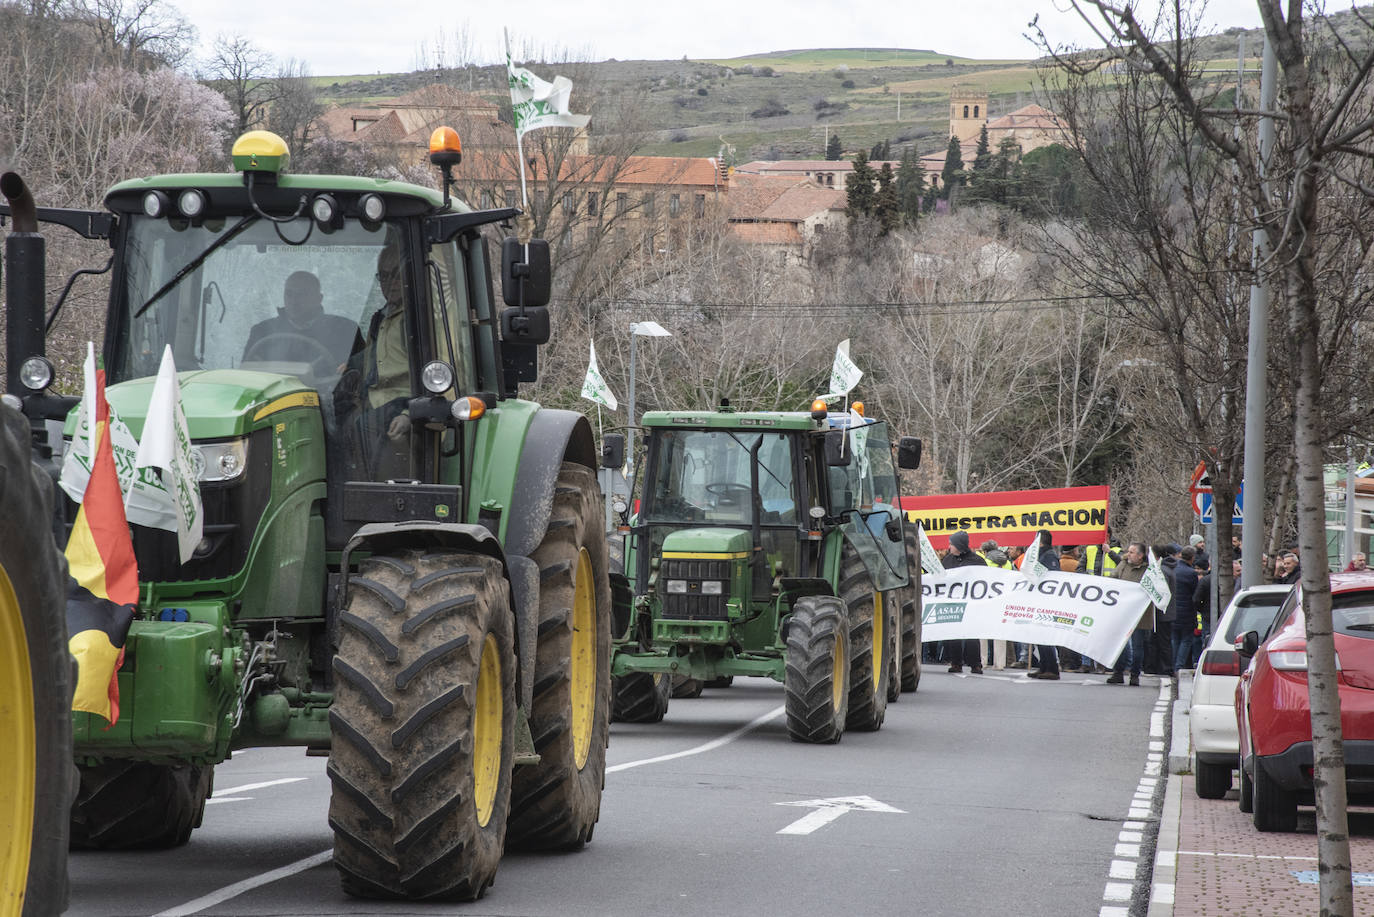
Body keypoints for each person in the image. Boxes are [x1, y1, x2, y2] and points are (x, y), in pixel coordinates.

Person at [243, 271, 364, 373]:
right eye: (289, 294)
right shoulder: (262, 331)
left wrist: (350, 368)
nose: (294, 301)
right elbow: (246, 375)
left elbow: (364, 372)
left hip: (330, 400)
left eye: (302, 294)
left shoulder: (346, 331)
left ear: (319, 298)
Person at [941, 530, 986, 675]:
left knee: (972, 634)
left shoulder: (977, 561)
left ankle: (975, 664)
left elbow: (986, 579)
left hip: (971, 603)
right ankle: (956, 663)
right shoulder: (947, 560)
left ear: (959, 545)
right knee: (953, 633)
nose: (949, 547)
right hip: (953, 603)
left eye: (951, 544)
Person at [1107, 543, 1150, 686]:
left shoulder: (1148, 570)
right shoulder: (1123, 564)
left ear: (1140, 555)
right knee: (1120, 644)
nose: (1128, 554)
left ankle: (1134, 675)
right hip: (1122, 611)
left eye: (1132, 552)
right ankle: (1118, 672)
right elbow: (1113, 578)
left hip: (1139, 614)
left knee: (1138, 646)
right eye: (1129, 551)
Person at [1028, 529, 1062, 680]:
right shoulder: (1042, 555)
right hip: (1039, 599)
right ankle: (1043, 666)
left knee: (1045, 636)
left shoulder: (1050, 556)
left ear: (1040, 542)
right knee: (1038, 635)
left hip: (1047, 602)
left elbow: (1052, 576)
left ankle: (1052, 668)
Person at [1171, 545, 1200, 675]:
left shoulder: (1173, 569)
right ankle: (1179, 666)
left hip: (1173, 610)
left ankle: (1173, 666)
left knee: (1175, 639)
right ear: (1192, 558)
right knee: (1186, 639)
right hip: (1187, 611)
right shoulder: (1191, 573)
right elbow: (1195, 593)